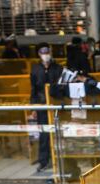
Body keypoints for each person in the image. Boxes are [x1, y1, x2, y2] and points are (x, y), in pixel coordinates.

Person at [30, 43, 63, 173]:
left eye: (47, 53)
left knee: (59, 132)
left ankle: (60, 159)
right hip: (42, 105)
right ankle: (44, 161)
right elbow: (33, 89)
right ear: (39, 54)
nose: (45, 55)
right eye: (43, 53)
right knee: (44, 134)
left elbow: (62, 85)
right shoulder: (35, 69)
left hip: (56, 104)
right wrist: (34, 107)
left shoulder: (58, 68)